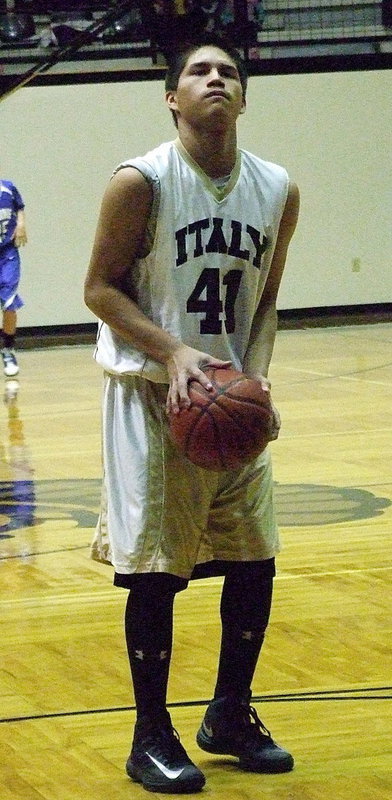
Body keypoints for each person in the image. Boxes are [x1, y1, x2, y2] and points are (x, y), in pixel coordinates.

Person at [84, 33, 299, 794]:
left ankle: (230, 714)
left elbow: (266, 302)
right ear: (172, 97)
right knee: (157, 570)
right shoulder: (140, 181)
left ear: (244, 97)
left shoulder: (276, 187)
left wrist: (258, 380)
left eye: (229, 72)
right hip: (151, 393)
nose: (216, 79)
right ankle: (152, 735)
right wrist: (175, 353)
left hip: (230, 399)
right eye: (198, 71)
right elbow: (100, 291)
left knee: (255, 560)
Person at [0, 179, 27, 377]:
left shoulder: (7, 188)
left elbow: (19, 206)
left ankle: (8, 349)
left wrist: (21, 224)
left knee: (9, 303)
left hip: (7, 253)